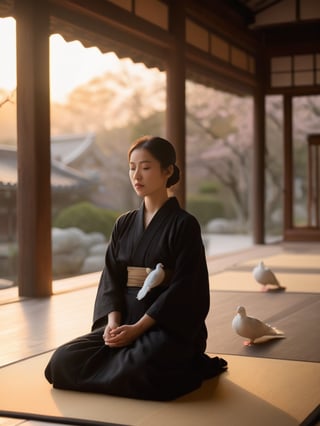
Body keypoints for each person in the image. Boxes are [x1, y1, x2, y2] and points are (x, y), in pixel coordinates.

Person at [45, 135, 227, 401]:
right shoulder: (123, 224)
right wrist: (113, 324)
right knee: (62, 361)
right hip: (124, 321)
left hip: (166, 326)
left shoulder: (184, 224)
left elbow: (187, 288)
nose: (136, 175)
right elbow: (111, 279)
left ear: (167, 171)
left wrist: (139, 328)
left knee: (147, 368)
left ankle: (183, 363)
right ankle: (120, 364)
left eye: (146, 167)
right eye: (132, 167)